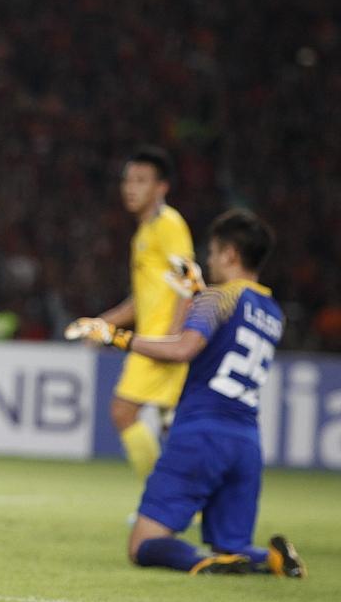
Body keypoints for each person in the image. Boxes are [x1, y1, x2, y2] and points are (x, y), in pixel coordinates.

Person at [70, 209, 305, 577]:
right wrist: (196, 292)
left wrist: (116, 337)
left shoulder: (217, 298)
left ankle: (206, 565)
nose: (208, 260)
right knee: (234, 544)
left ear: (229, 254)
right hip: (245, 442)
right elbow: (226, 335)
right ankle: (270, 559)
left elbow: (183, 349)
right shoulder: (272, 310)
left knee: (143, 544)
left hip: (201, 432)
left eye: (212, 253)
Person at [71, 147, 194, 479]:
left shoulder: (168, 224)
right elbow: (141, 302)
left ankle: (161, 503)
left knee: (123, 412)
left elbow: (190, 281)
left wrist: (174, 337)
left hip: (160, 341)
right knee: (172, 429)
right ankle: (177, 506)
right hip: (153, 339)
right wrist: (102, 324)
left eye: (141, 180)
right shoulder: (145, 233)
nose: (130, 188)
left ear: (161, 187)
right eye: (127, 180)